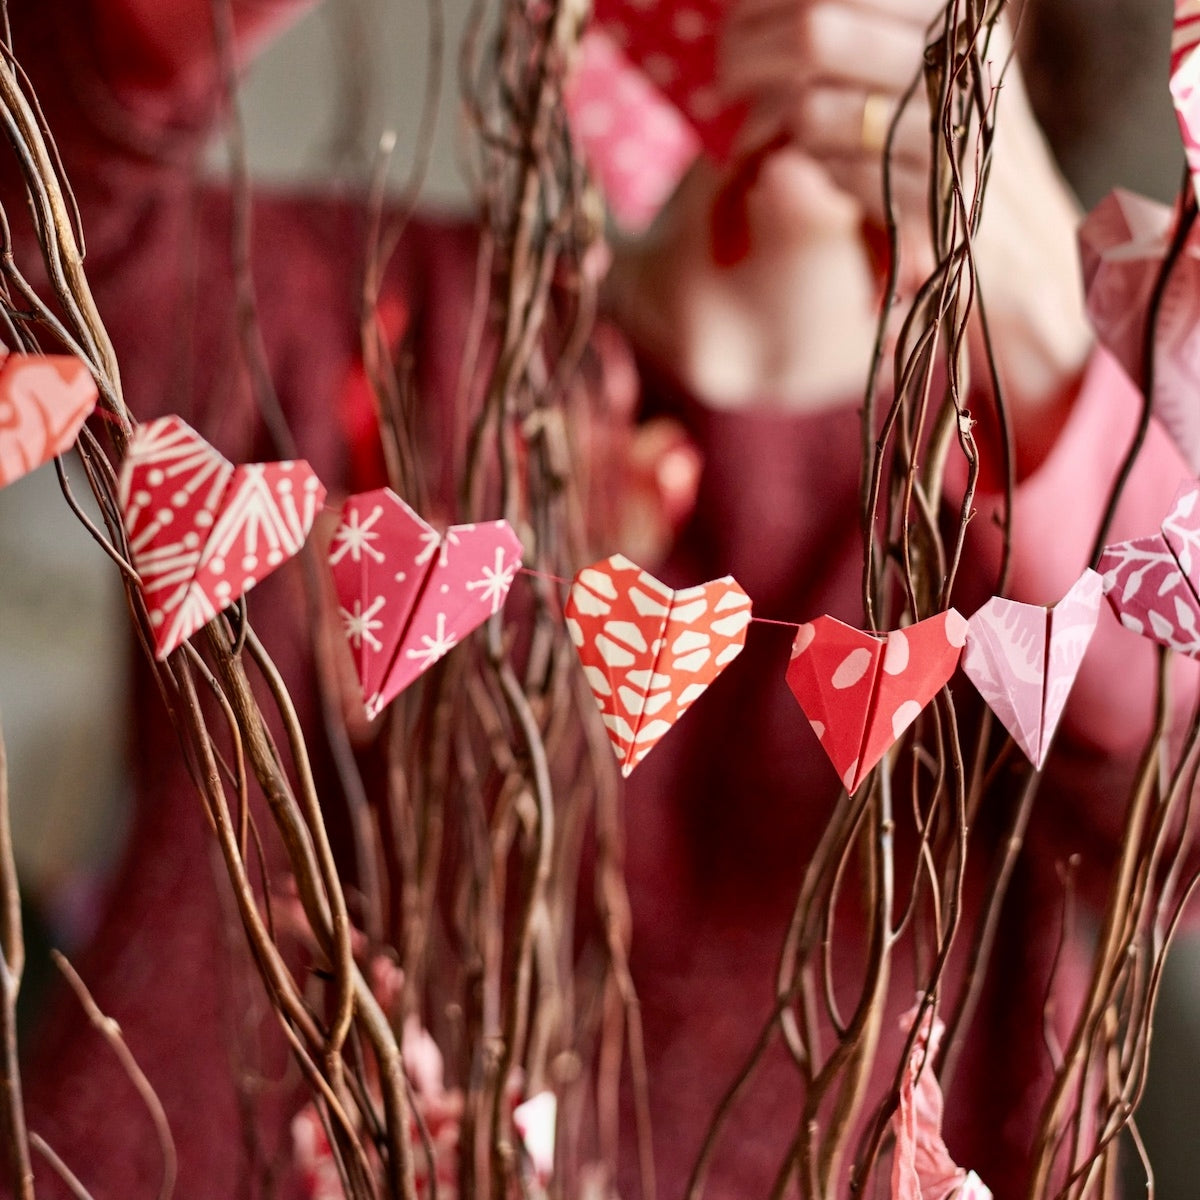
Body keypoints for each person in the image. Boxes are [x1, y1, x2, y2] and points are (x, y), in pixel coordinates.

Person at [9, 0, 1196, 1197]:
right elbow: (38, 219)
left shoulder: (1045, 541)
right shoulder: (349, 321)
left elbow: (1177, 810)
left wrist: (1048, 340)